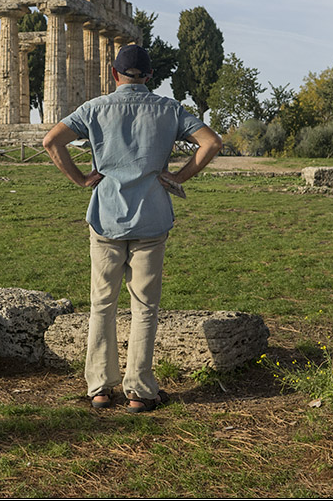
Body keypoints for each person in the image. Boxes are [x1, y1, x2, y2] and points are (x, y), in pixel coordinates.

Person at [42, 44, 222, 412]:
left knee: (101, 304)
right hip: (152, 217)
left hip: (106, 217)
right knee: (144, 307)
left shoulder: (94, 108)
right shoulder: (169, 109)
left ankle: (99, 387)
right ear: (150, 76)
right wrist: (178, 177)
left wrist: (80, 179)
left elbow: (51, 141)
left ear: (114, 74)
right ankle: (139, 391)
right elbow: (211, 142)